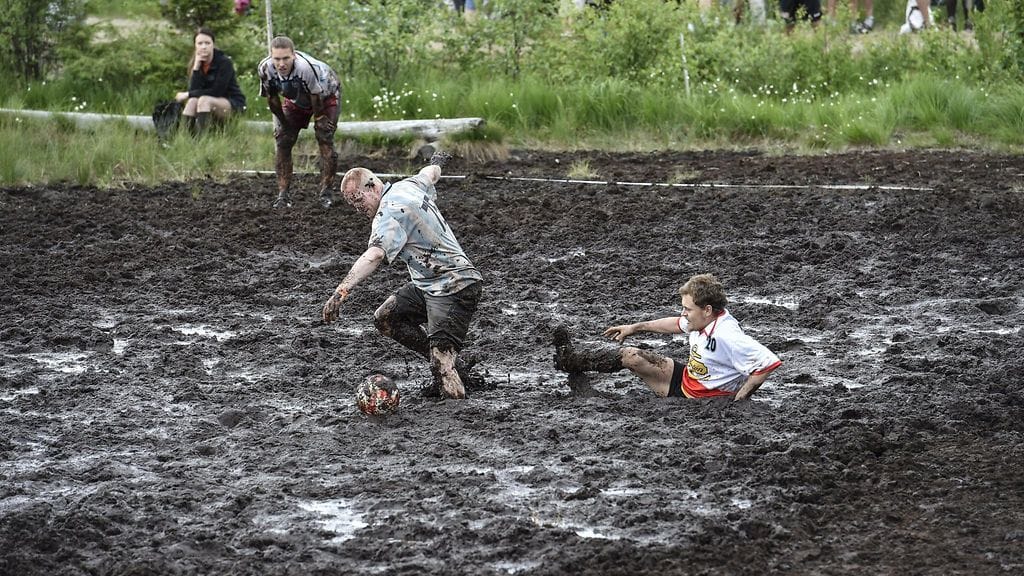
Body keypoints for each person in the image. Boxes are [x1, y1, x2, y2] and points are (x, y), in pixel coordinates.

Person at [322, 152, 485, 400]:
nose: (357, 209)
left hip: (454, 285)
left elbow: (374, 255)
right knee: (385, 318)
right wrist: (437, 161)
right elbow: (430, 174)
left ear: (373, 185)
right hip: (429, 284)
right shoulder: (406, 185)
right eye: (351, 204)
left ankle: (458, 413)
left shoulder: (387, 213)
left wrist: (341, 290)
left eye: (358, 200)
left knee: (441, 363)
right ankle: (451, 365)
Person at [553, 273, 781, 401]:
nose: (683, 313)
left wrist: (739, 401)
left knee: (632, 405)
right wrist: (635, 327)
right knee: (631, 355)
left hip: (695, 397)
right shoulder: (705, 319)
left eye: (687, 309)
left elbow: (766, 363)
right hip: (686, 376)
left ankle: (587, 394)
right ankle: (570, 361)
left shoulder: (727, 335)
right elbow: (674, 324)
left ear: (707, 309)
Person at [257, 36, 341, 209]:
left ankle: (326, 192)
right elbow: (272, 100)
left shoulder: (304, 68)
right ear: (271, 57)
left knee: (324, 135)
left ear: (293, 56)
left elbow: (316, 98)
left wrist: (319, 119)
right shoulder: (265, 69)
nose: (281, 64)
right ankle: (283, 195)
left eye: (286, 58)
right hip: (296, 98)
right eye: (277, 59)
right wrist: (284, 125)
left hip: (326, 95)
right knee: (283, 139)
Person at [173, 28, 246, 136]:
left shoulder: (224, 62)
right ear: (195, 46)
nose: (204, 47)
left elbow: (217, 91)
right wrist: (196, 68)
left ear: (213, 44)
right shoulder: (198, 63)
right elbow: (194, 90)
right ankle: (185, 139)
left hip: (232, 104)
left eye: (207, 43)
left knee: (204, 100)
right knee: (192, 101)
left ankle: (202, 140)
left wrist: (187, 94)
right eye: (200, 43)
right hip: (208, 103)